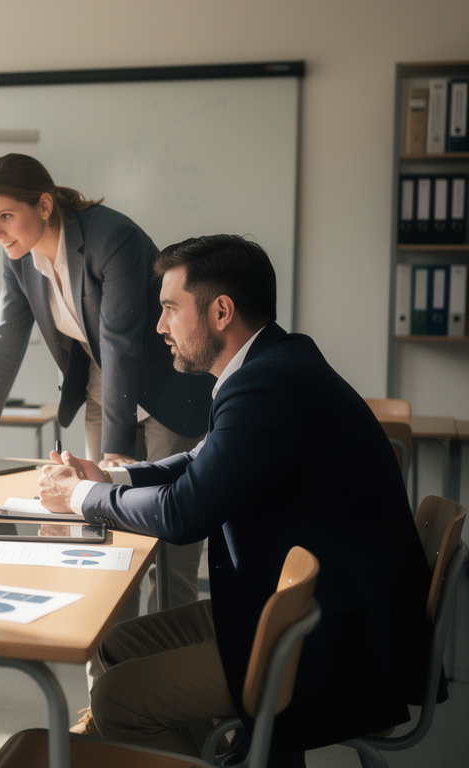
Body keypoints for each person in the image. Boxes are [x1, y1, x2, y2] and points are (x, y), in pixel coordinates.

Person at [37, 235, 433, 763]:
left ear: (221, 311)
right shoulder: (272, 363)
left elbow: (184, 513)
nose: (159, 327)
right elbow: (200, 463)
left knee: (117, 697)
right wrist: (113, 481)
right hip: (299, 600)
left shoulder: (267, 385)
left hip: (332, 633)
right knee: (117, 646)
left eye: (170, 308)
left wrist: (81, 496)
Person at [0, 153, 214, 615]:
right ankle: (112, 670)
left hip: (168, 394)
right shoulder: (18, 258)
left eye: (7, 216)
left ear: (46, 205)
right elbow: (7, 335)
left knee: (168, 545)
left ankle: (169, 662)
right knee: (107, 534)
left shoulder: (112, 237)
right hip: (103, 393)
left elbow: (121, 344)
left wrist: (114, 451)